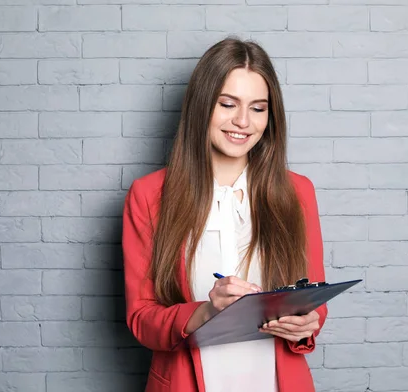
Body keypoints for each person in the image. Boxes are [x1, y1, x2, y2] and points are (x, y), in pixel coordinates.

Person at [122, 37, 327, 392]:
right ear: (203, 105)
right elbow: (141, 319)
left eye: (258, 108)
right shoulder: (149, 195)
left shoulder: (298, 192)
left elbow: (313, 300)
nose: (243, 121)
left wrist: (306, 323)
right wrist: (206, 311)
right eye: (228, 104)